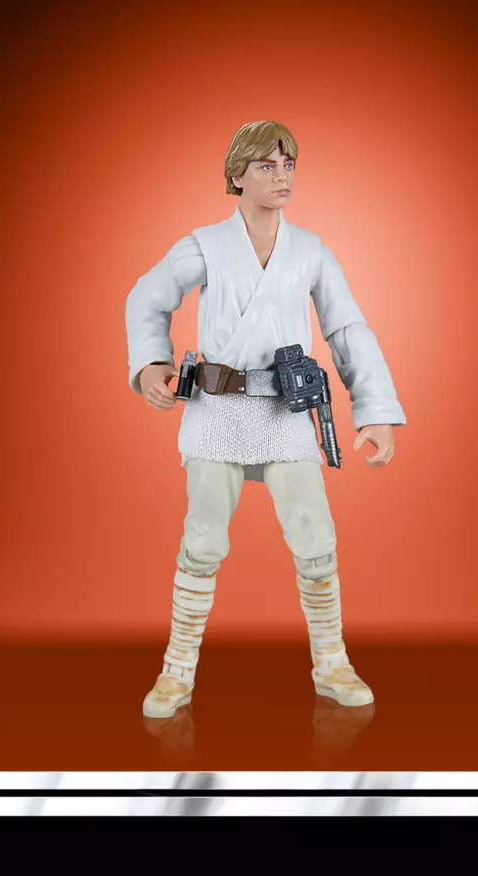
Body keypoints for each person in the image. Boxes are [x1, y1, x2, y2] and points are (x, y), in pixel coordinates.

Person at [126, 120, 406, 718]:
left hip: (285, 410)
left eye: (288, 165)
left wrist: (374, 409)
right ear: (238, 175)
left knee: (315, 537)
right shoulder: (205, 245)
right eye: (266, 166)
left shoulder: (309, 251)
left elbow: (345, 328)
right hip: (217, 408)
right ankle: (177, 669)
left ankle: (331, 660)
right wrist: (152, 361)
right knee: (202, 540)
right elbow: (147, 297)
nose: (281, 177)